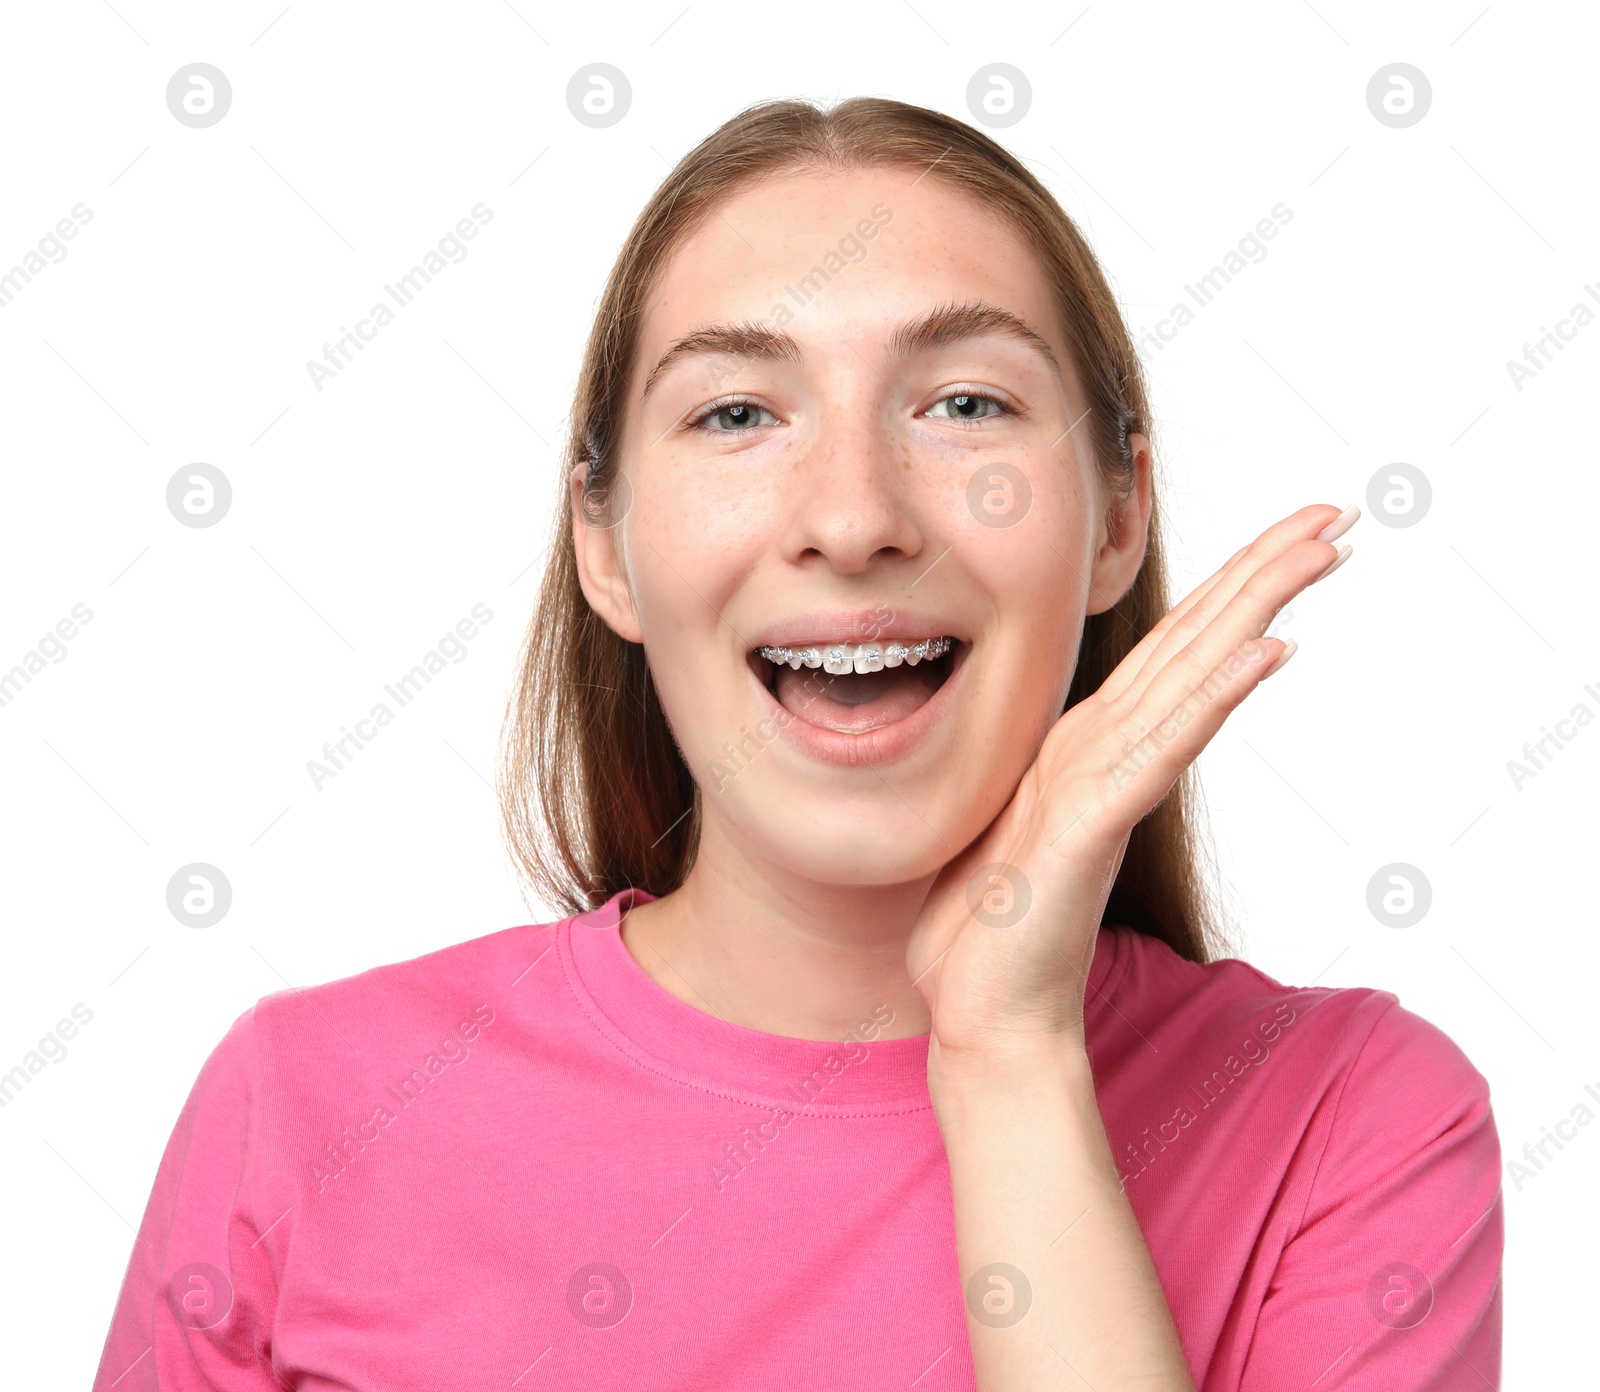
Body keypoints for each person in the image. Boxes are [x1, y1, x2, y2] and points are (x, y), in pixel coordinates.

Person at [92, 96, 1502, 1391]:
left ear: (1118, 518)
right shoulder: (304, 1109)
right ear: (607, 547)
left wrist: (1007, 1050)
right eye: (738, 413)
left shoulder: (1354, 1124)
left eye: (964, 403)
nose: (851, 513)